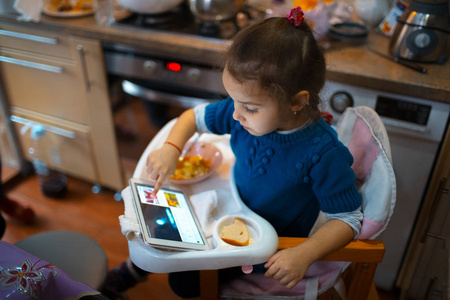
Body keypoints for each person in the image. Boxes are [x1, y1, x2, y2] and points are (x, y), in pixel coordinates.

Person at [103, 6, 362, 299]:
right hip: (232, 203)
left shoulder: (323, 153)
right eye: (233, 101)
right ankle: (137, 268)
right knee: (165, 230)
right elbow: (193, 117)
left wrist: (304, 253)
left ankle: (140, 269)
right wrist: (171, 149)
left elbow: (348, 218)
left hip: (262, 241)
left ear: (296, 102)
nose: (236, 115)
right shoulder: (243, 110)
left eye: (250, 108)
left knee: (183, 283)